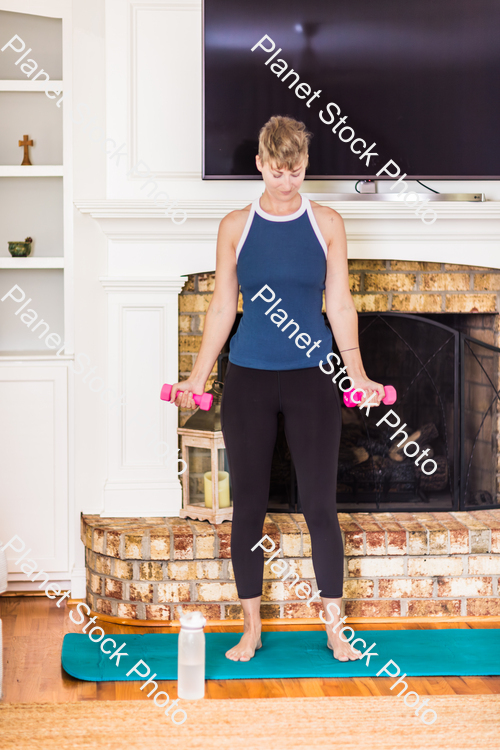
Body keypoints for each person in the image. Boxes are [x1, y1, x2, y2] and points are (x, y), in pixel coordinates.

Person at [169, 116, 385, 663]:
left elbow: (338, 304)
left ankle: (336, 630)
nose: (286, 180)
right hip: (249, 378)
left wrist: (355, 374)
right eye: (277, 170)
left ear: (304, 166)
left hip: (314, 377)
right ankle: (251, 628)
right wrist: (196, 376)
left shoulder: (328, 222)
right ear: (260, 165)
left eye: (296, 170)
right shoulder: (236, 226)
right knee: (248, 507)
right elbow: (223, 306)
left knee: (319, 504)